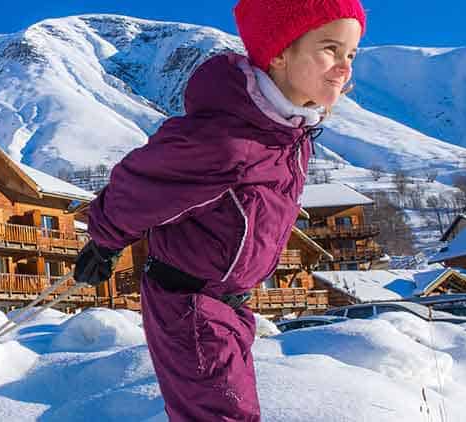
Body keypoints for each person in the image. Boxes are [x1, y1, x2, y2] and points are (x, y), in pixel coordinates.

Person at [72, 1, 365, 420]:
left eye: (350, 54)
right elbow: (143, 183)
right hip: (189, 304)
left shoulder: (286, 135)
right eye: (330, 49)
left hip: (228, 305)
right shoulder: (229, 139)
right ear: (279, 52)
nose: (344, 67)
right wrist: (105, 240)